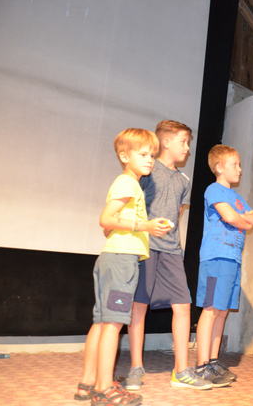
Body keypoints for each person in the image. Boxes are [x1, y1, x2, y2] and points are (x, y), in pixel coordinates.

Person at [74, 128, 172, 406]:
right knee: (113, 324)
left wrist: (142, 226)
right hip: (121, 261)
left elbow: (110, 228)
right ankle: (104, 388)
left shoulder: (129, 184)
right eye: (143, 154)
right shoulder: (127, 183)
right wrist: (146, 226)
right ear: (124, 156)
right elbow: (106, 220)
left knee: (101, 323)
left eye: (152, 155)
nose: (150, 159)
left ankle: (87, 383)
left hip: (113, 257)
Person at [125, 120, 210, 390]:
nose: (187, 148)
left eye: (188, 143)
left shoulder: (184, 180)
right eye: (183, 142)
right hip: (145, 248)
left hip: (172, 251)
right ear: (165, 142)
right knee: (138, 306)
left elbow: (177, 214)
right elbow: (132, 208)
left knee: (183, 305)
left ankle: (181, 371)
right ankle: (136, 367)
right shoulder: (148, 172)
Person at [194, 144, 253, 386]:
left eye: (240, 165)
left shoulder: (237, 198)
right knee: (211, 310)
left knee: (222, 311)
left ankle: (213, 361)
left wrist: (242, 219)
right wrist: (242, 219)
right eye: (235, 164)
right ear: (220, 167)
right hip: (216, 258)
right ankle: (201, 365)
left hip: (233, 259)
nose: (240, 169)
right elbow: (232, 217)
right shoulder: (214, 190)